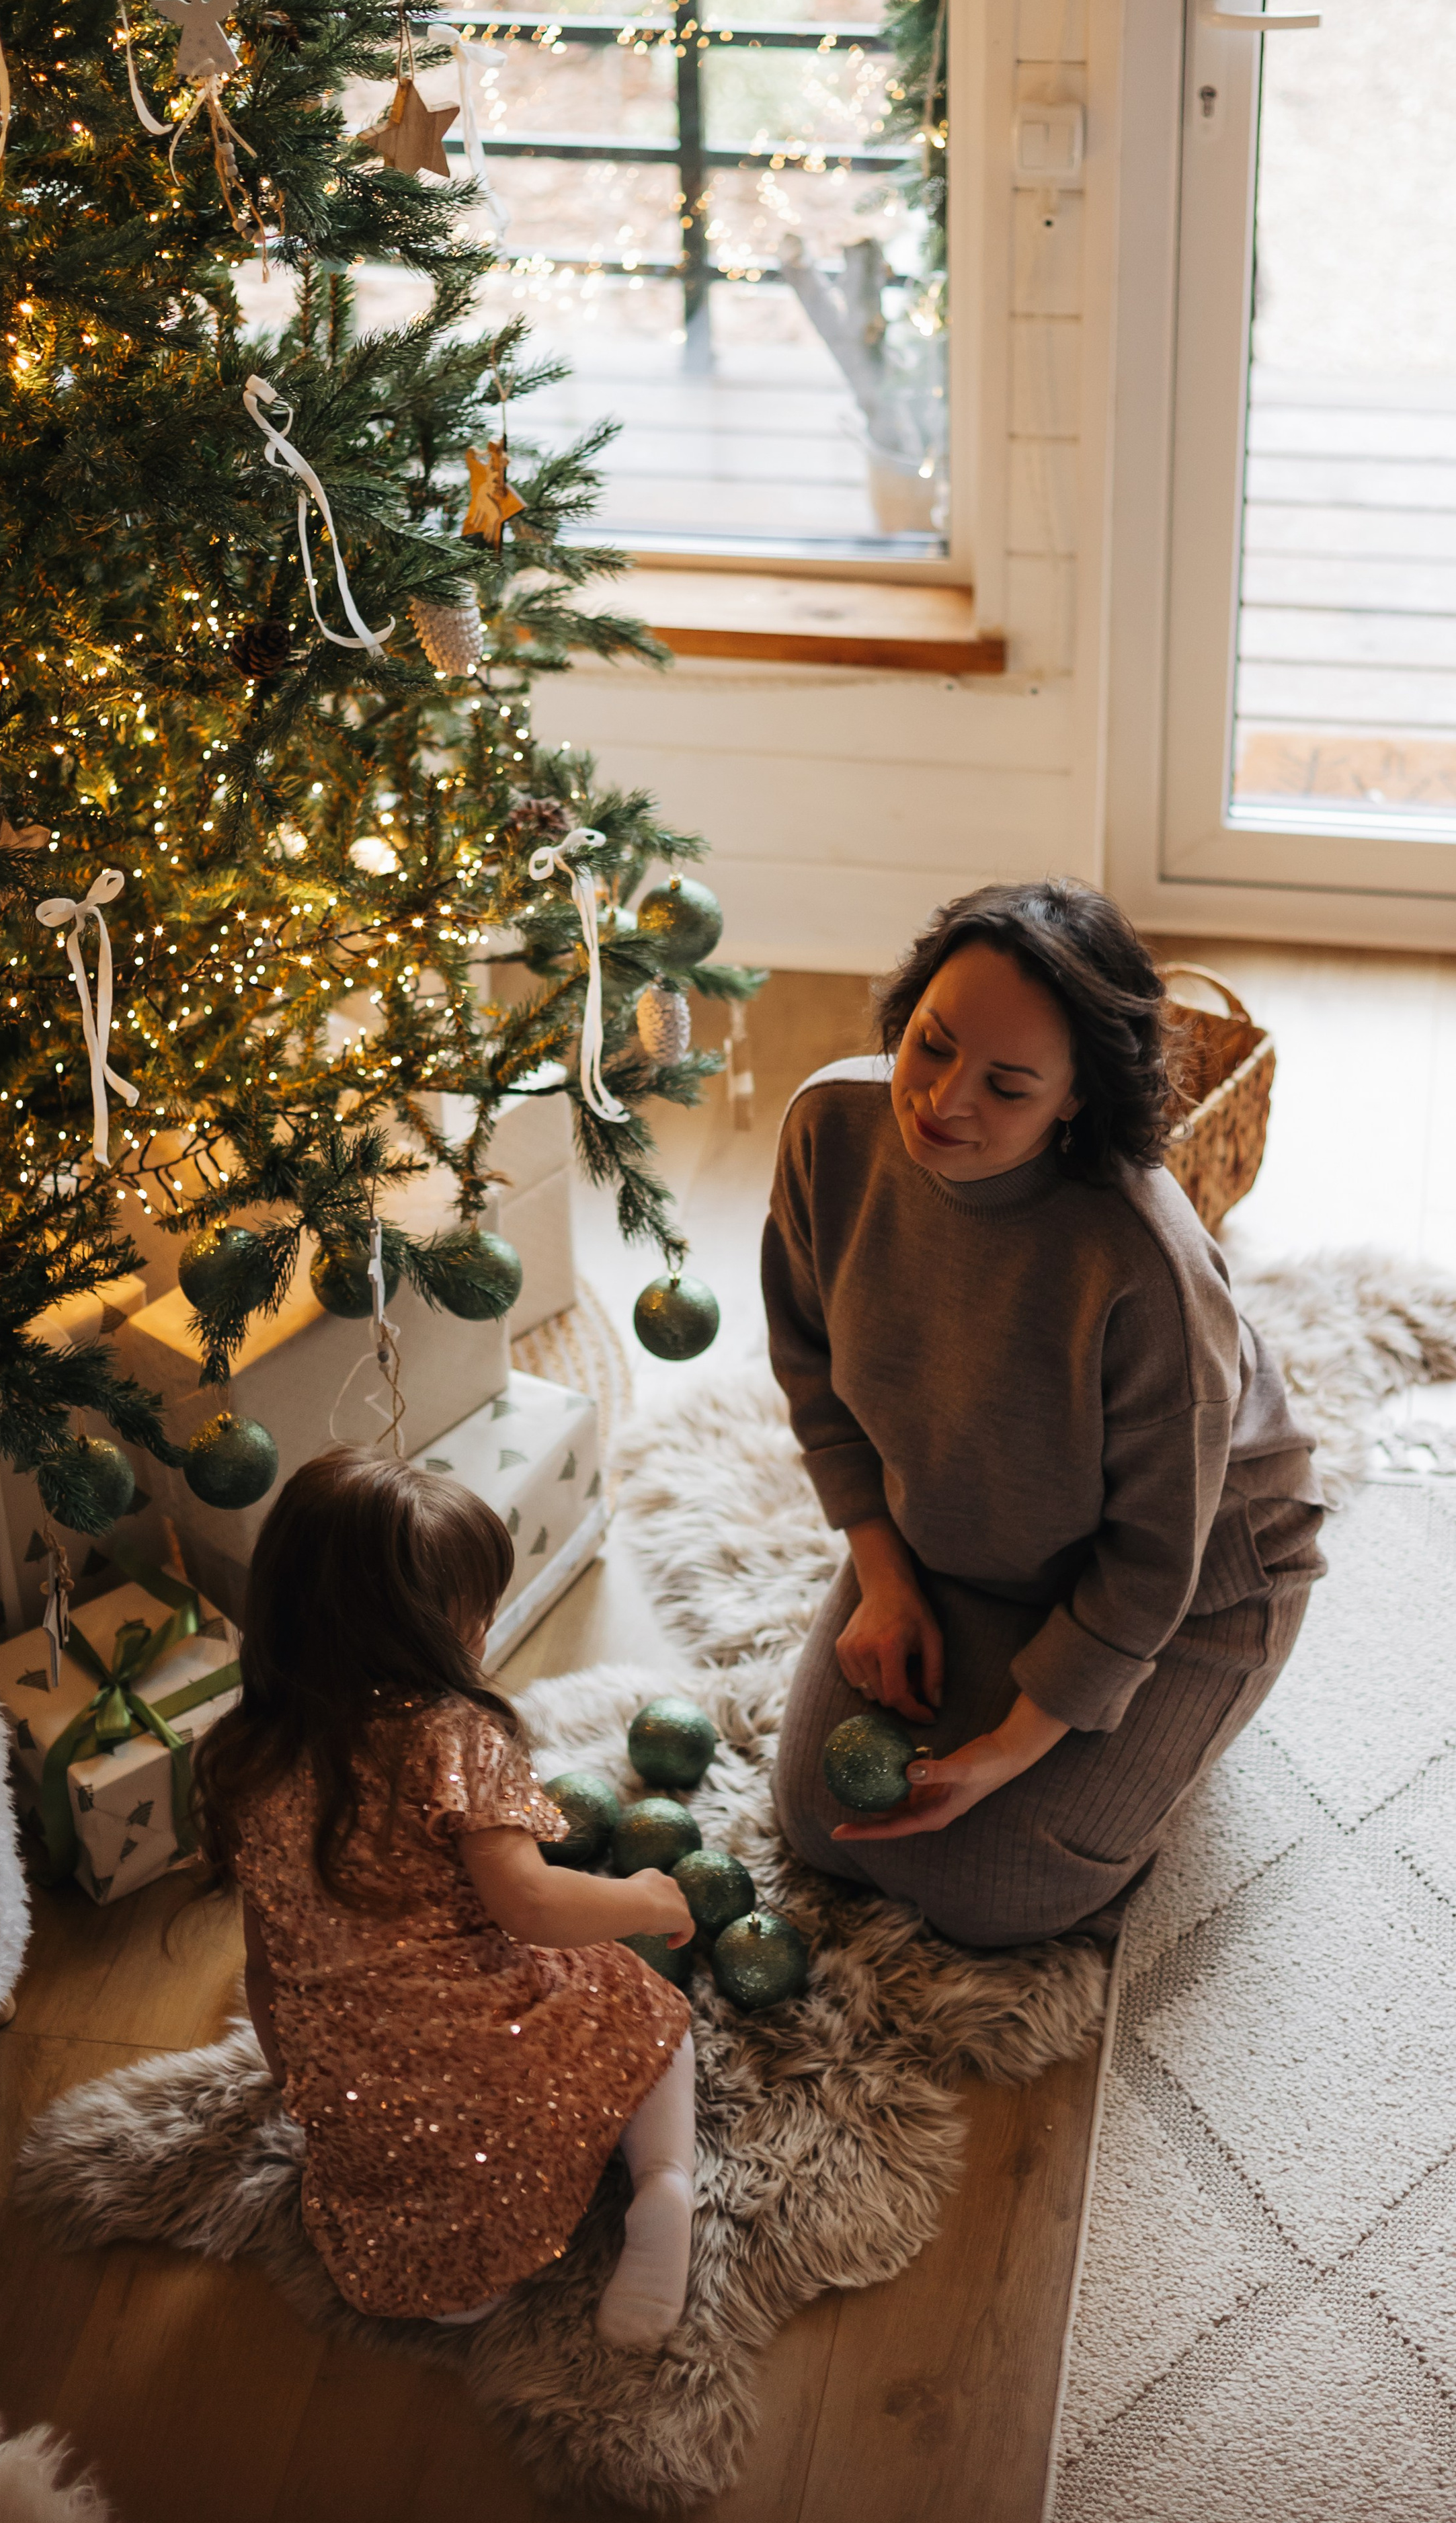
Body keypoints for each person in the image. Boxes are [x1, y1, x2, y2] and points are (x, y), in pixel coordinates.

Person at [766, 879, 1326, 1948]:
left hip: (1195, 1580)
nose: (942, 1101)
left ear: (1075, 1097)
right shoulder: (829, 1129)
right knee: (819, 1820)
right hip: (955, 1531)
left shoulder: (1144, 1267)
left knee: (998, 1892)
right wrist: (883, 1576)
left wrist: (1015, 1744)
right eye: (931, 1044)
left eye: (1007, 1085)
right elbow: (812, 1369)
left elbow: (1156, 1555)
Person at [194, 1447, 698, 2348]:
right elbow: (532, 1905)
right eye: (477, 1617)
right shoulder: (451, 1737)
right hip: (499, 2078)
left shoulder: (244, 1759)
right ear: (431, 1634)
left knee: (454, 2292)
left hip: (366, 2110)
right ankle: (665, 2185)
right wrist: (647, 1899)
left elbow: (265, 1970)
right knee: (640, 2003)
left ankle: (465, 2280)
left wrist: (308, 2086)